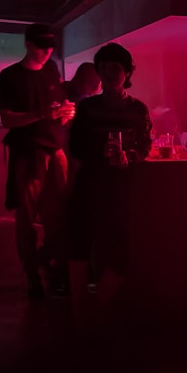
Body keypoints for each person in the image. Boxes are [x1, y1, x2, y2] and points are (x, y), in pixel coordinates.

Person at [67, 42, 152, 334]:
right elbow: (75, 146)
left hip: (119, 188)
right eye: (103, 68)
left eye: (115, 68)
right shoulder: (87, 108)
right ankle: (80, 317)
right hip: (89, 184)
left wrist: (130, 157)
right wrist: (100, 149)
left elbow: (145, 147)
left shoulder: (138, 109)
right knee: (79, 246)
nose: (109, 73)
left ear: (127, 72)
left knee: (120, 252)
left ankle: (98, 308)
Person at [0, 23, 76, 299]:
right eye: (42, 46)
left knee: (57, 217)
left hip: (55, 150)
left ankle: (52, 266)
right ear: (28, 43)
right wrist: (41, 114)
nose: (47, 51)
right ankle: (32, 274)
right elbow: (6, 119)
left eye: (50, 46)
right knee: (27, 218)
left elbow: (57, 109)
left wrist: (66, 113)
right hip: (29, 153)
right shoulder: (10, 76)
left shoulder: (51, 70)